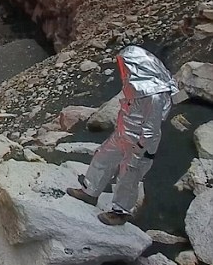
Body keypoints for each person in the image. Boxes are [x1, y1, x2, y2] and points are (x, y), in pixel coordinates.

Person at [66, 45, 182, 225]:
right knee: (102, 157)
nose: (122, 69)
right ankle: (90, 191)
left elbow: (151, 129)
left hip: (139, 143)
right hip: (123, 134)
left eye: (125, 65)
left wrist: (141, 151)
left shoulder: (154, 95)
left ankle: (120, 211)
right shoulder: (135, 86)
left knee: (129, 175)